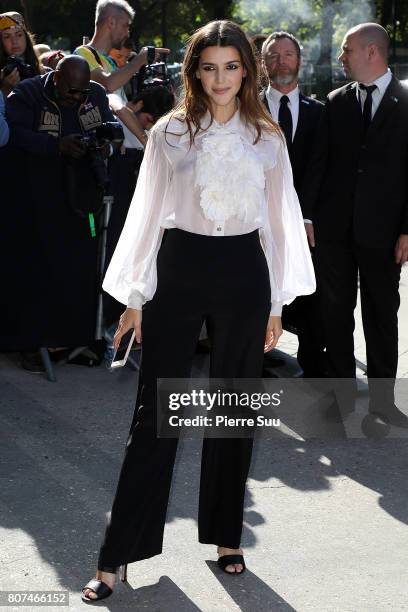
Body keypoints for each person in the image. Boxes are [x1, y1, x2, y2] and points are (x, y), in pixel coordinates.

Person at [81, 19, 315, 602]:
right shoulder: (170, 133)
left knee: (233, 409)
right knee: (154, 415)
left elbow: (281, 221)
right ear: (194, 71)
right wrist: (135, 297)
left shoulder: (266, 138)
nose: (220, 79)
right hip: (179, 270)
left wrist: (278, 304)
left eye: (231, 67)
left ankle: (227, 536)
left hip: (243, 274)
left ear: (247, 70)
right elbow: (144, 215)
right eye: (209, 67)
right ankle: (118, 554)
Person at [302, 23, 408, 425]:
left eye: (347, 50)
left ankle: (383, 402)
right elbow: (319, 164)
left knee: (382, 313)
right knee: (335, 312)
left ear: (371, 52)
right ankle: (341, 396)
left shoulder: (406, 101)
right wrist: (308, 215)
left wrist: (407, 230)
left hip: (384, 233)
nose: (341, 57)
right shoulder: (335, 101)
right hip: (333, 231)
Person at [3, 55, 118, 362]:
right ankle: (36, 342)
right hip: (36, 196)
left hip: (82, 197)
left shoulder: (94, 94)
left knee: (80, 268)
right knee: (40, 267)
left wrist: (105, 146)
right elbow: (12, 134)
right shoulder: (28, 93)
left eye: (81, 92)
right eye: (71, 92)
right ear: (55, 79)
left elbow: (106, 130)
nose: (77, 98)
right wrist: (55, 146)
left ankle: (76, 339)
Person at [261, 31, 326, 377]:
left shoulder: (320, 112)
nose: (281, 61)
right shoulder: (248, 108)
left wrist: (307, 216)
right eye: (273, 55)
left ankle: (313, 364)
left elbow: (320, 168)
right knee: (258, 288)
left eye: (288, 54)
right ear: (263, 63)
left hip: (307, 221)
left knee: (309, 292)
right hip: (258, 218)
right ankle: (254, 359)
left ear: (299, 61)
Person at [75, 0, 169, 148]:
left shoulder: (110, 62)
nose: (127, 33)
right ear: (111, 22)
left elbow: (122, 105)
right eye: (125, 26)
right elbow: (109, 85)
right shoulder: (82, 54)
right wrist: (139, 60)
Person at [0, 12, 44, 96]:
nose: (14, 41)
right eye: (7, 37)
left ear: (26, 37)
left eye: (19, 35)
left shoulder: (44, 71)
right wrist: (5, 90)